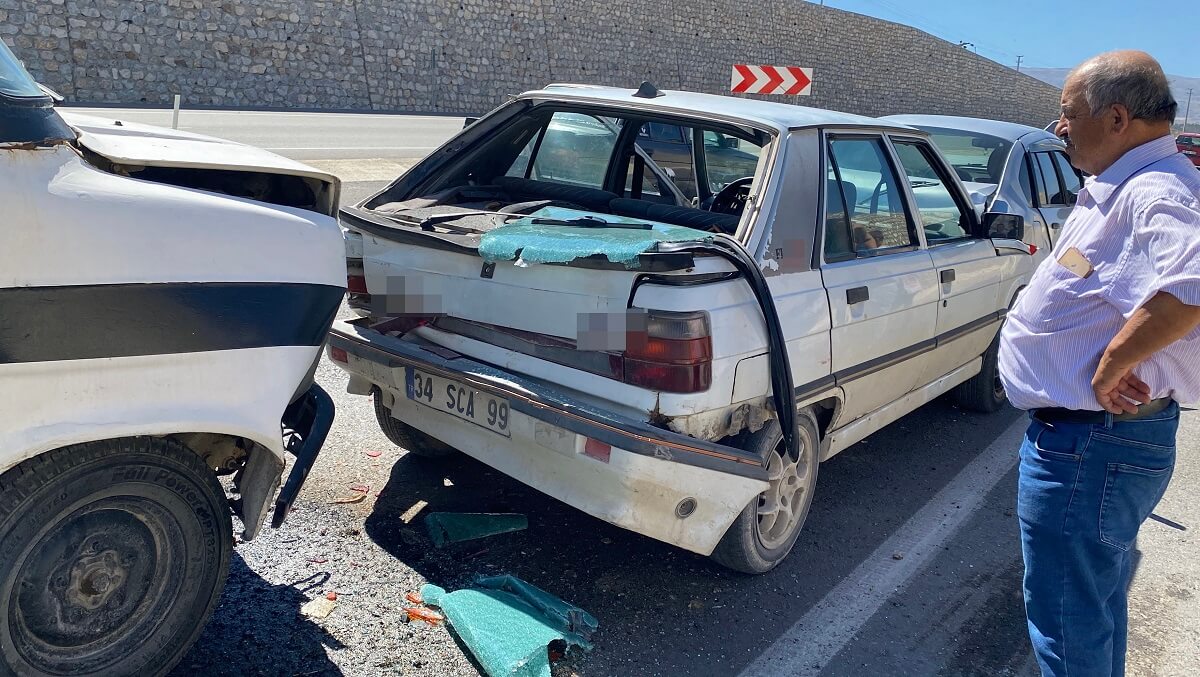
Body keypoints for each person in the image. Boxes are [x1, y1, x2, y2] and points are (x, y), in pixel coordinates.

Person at [998, 50, 1200, 676]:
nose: (1058, 128)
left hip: (1090, 443)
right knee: (1090, 607)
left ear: (1117, 118)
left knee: (1066, 620)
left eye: (1067, 114)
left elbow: (1194, 282)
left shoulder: (1152, 188)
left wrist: (1114, 362)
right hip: (1098, 443)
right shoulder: (1126, 185)